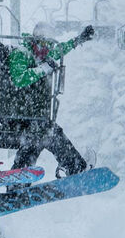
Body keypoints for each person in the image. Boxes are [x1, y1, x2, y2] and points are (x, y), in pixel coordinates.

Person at [7, 22, 95, 176]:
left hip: (31, 115)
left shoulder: (43, 55)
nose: (45, 48)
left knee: (36, 139)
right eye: (42, 43)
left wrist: (79, 39)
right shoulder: (21, 53)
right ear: (34, 41)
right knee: (49, 132)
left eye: (48, 45)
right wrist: (44, 69)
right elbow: (19, 79)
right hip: (16, 113)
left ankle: (19, 178)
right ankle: (75, 167)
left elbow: (60, 50)